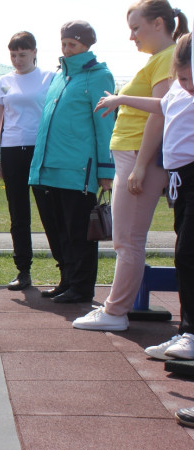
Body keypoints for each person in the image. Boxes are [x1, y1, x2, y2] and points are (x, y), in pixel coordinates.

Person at [74, 1, 188, 328]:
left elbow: (161, 112)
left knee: (127, 240)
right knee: (126, 239)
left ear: (158, 24)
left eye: (136, 28)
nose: (131, 37)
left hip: (141, 156)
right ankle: (115, 308)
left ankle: (115, 311)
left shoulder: (168, 58)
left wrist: (141, 167)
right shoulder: (160, 59)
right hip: (133, 155)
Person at [94, 34, 194, 359]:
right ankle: (188, 332)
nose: (187, 85)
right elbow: (161, 105)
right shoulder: (179, 90)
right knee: (185, 255)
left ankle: (190, 334)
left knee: (189, 254)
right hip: (182, 180)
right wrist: (121, 100)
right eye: (182, 78)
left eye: (191, 79)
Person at [28, 21, 115, 303]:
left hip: (78, 170)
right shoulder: (59, 77)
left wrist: (105, 169)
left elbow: (105, 126)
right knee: (57, 230)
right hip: (47, 169)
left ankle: (82, 286)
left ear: (87, 46)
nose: (67, 50)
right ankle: (67, 279)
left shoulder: (99, 76)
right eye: (64, 44)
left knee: (79, 231)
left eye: (73, 45)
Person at [0, 31, 56, 291]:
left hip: (41, 151)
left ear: (35, 52)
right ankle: (23, 270)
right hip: (13, 151)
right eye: (13, 55)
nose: (17, 60)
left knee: (50, 211)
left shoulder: (50, 78)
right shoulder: (3, 82)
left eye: (23, 54)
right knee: (19, 214)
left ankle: (65, 269)